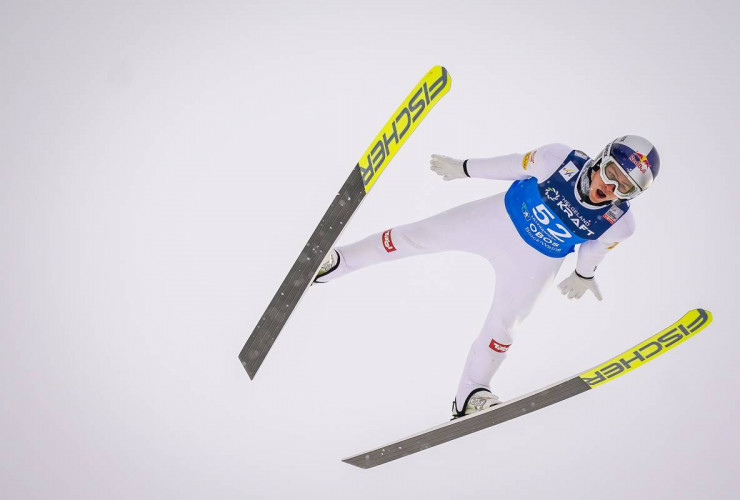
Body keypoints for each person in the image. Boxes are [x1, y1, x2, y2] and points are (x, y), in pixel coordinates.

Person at [313, 136, 660, 419]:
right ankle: (337, 262)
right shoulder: (559, 159)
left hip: (537, 261)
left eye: (626, 188)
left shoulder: (621, 222)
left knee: (504, 328)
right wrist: (463, 168)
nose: (612, 187)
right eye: (612, 173)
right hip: (494, 221)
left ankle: (472, 393)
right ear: (600, 159)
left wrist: (584, 275)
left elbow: (596, 248)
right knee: (412, 237)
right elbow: (511, 164)